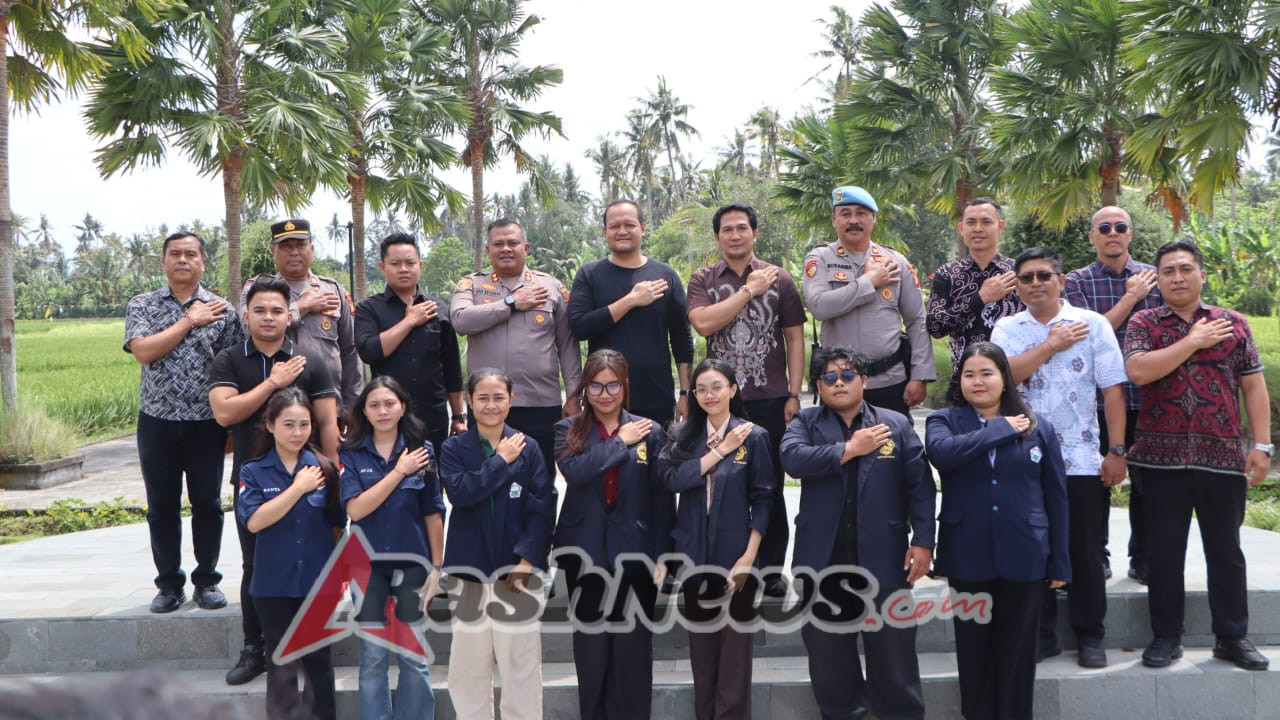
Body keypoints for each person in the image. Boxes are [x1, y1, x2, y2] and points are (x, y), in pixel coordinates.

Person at [1124, 240, 1272, 671]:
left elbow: (1253, 385)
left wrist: (1261, 445)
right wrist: (1192, 340)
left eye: (1185, 269)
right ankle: (1166, 637)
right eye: (1168, 270)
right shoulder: (1145, 321)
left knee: (1225, 550)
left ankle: (1232, 637)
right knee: (1164, 552)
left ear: (1202, 275)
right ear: (1159, 279)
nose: (1177, 277)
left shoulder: (1233, 323)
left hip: (1222, 457)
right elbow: (1137, 371)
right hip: (1158, 459)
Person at [780, 347, 935, 720]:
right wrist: (850, 449)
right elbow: (792, 459)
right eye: (829, 378)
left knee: (893, 651)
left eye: (848, 375)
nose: (839, 383)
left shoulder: (894, 423)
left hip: (884, 554)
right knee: (829, 654)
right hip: (823, 558)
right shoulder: (806, 422)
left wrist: (924, 541)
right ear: (818, 385)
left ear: (864, 381)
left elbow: (921, 487)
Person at [991, 247, 1128, 668]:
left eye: (1044, 276)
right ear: (1017, 284)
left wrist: (1117, 450)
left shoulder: (1093, 325)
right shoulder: (1006, 329)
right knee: (1034, 549)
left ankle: (1091, 635)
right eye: (1027, 277)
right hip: (1023, 458)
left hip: (1082, 458)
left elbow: (1112, 391)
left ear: (1061, 280)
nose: (1036, 284)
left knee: (1084, 549)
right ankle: (1043, 634)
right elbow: (1002, 379)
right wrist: (1050, 344)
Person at [926, 342, 1069, 720]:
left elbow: (1056, 497)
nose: (978, 381)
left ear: (1004, 379)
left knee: (1018, 655)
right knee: (973, 655)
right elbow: (943, 455)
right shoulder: (943, 422)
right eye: (969, 374)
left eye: (987, 373)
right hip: (967, 555)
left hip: (1025, 554)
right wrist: (999, 429)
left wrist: (1060, 562)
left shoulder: (1040, 427)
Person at [210, 276, 341, 686]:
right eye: (260, 310)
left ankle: (309, 645)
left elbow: (326, 421)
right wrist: (273, 382)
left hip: (310, 477)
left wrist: (334, 473)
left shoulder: (310, 360)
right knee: (256, 564)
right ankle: (256, 648)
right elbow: (225, 414)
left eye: (277, 310)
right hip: (255, 477)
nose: (268, 318)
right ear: (246, 315)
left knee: (312, 561)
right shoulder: (229, 360)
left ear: (291, 316)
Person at [686, 203, 806, 598]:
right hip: (718, 400)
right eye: (727, 230)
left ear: (755, 233)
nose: (735, 235)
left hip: (769, 396)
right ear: (717, 236)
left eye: (742, 228)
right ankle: (720, 562)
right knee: (719, 481)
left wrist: (794, 392)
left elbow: (793, 337)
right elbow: (704, 323)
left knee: (768, 485)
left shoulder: (781, 279)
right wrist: (748, 292)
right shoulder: (704, 279)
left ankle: (770, 569)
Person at [124, 231, 243, 614]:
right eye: (175, 254)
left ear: (203, 262)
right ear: (163, 261)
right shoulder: (143, 305)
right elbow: (143, 351)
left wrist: (230, 424)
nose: (183, 260)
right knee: (161, 506)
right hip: (157, 420)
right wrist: (188, 321)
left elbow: (234, 367)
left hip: (207, 422)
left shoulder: (223, 310)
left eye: (191, 254)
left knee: (207, 503)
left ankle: (206, 580)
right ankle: (169, 584)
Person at [552, 349, 673, 720]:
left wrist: (663, 553)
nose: (605, 394)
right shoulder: (567, 430)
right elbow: (576, 472)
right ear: (584, 390)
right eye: (596, 386)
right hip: (585, 553)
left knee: (633, 652)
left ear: (625, 386)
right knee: (591, 652)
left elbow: (662, 497)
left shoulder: (651, 432)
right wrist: (620, 441)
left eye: (613, 385)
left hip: (636, 555)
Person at [657, 359, 774, 720]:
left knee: (736, 653)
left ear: (733, 390)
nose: (709, 395)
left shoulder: (754, 436)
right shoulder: (681, 436)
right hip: (693, 552)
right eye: (701, 389)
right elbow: (672, 480)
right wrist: (720, 451)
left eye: (717, 387)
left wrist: (749, 557)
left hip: (737, 554)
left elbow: (765, 498)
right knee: (702, 653)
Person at [439, 368, 553, 720]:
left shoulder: (529, 447)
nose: (491, 405)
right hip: (469, 571)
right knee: (469, 669)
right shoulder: (453, 448)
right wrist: (501, 460)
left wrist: (526, 562)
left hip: (516, 572)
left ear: (511, 400)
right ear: (470, 402)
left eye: (498, 397)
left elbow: (541, 507)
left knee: (521, 666)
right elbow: (461, 493)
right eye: (483, 398)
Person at [1064, 206, 1163, 584]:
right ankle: (1096, 555)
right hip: (1096, 403)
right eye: (1104, 228)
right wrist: (1130, 297)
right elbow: (1086, 335)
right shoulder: (1076, 282)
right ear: (1092, 237)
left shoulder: (1154, 279)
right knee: (1095, 483)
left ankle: (1143, 557)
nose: (1112, 233)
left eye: (1120, 227)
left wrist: (1140, 289)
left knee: (1147, 485)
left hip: (1148, 398)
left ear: (1130, 234)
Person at [339, 376, 445, 720]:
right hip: (367, 567)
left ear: (403, 406)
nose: (382, 411)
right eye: (374, 405)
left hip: (413, 564)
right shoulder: (352, 454)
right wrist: (399, 471)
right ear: (364, 412)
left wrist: (437, 566)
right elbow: (355, 509)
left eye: (389, 403)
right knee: (373, 657)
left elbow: (433, 513)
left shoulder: (422, 451)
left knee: (413, 656)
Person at [236, 388, 346, 720]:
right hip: (273, 585)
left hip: (317, 583)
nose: (297, 433)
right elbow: (254, 522)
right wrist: (297, 488)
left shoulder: (326, 470)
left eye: (304, 424)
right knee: (281, 666)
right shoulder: (252, 471)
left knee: (318, 667)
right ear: (270, 425)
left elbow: (337, 525)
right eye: (288, 424)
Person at [451, 218, 583, 483]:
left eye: (513, 243)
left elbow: (568, 345)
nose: (506, 249)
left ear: (526, 247)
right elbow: (460, 320)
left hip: (541, 403)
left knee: (540, 481)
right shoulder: (471, 285)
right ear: (488, 250)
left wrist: (573, 395)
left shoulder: (551, 287)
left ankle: (542, 526)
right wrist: (510, 303)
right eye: (498, 244)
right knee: (489, 478)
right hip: (488, 406)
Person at [801, 185, 935, 417]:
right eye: (846, 214)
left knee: (893, 449)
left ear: (873, 218)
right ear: (834, 220)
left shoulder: (896, 262)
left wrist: (920, 375)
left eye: (861, 213)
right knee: (839, 450)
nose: (854, 220)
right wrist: (869, 282)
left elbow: (916, 320)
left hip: (890, 382)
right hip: (838, 383)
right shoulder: (820, 258)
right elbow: (819, 306)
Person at [568, 199, 695, 429]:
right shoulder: (590, 275)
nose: (622, 231)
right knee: (608, 462)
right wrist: (631, 300)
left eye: (630, 225)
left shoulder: (665, 275)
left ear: (643, 228)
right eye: (614, 226)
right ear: (604, 231)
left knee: (658, 463)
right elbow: (579, 327)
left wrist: (685, 393)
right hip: (604, 399)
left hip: (656, 397)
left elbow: (682, 339)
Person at [355, 232, 466, 453]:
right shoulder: (369, 309)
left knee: (432, 478)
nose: (403, 269)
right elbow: (369, 352)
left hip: (432, 415)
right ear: (382, 266)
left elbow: (452, 369)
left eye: (410, 263)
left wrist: (458, 416)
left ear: (420, 265)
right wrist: (409, 321)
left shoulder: (438, 308)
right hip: (386, 417)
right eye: (395, 263)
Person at [247, 218, 364, 413]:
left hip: (329, 406)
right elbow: (248, 330)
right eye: (285, 246)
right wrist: (301, 307)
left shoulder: (334, 291)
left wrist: (353, 408)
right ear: (272, 251)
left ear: (312, 248)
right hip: (273, 409)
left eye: (300, 245)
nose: (294, 252)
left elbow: (351, 353)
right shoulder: (256, 289)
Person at [926, 198, 1023, 402]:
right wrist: (981, 298)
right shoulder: (947, 274)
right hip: (966, 383)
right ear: (961, 228)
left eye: (986, 222)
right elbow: (935, 326)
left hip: (1015, 380)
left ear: (1001, 226)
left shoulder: (1018, 273)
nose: (978, 228)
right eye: (971, 222)